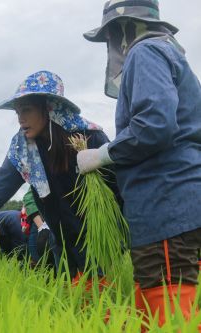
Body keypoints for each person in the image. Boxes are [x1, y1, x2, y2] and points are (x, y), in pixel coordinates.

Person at [79, 0, 201, 326]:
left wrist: (102, 154)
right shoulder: (170, 54)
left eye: (110, 35)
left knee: (171, 315)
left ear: (122, 29)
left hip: (165, 206)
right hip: (183, 206)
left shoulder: (145, 52)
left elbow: (154, 125)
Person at [0, 71, 117, 282]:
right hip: (61, 236)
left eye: (27, 110)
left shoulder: (88, 137)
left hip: (95, 237)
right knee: (71, 298)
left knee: (100, 295)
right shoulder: (23, 149)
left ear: (48, 107)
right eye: (18, 112)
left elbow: (117, 187)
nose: (21, 118)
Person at [22, 190, 58, 270]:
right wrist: (42, 227)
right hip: (41, 221)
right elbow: (28, 198)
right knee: (40, 262)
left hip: (64, 220)